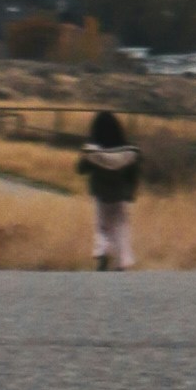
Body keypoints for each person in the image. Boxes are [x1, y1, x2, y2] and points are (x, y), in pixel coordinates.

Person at [77, 103, 141, 271]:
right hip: (120, 195)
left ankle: (103, 252)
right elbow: (133, 174)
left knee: (102, 227)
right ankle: (122, 262)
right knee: (121, 227)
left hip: (101, 193)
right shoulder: (128, 152)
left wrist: (86, 155)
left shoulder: (94, 152)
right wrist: (131, 192)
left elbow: (81, 170)